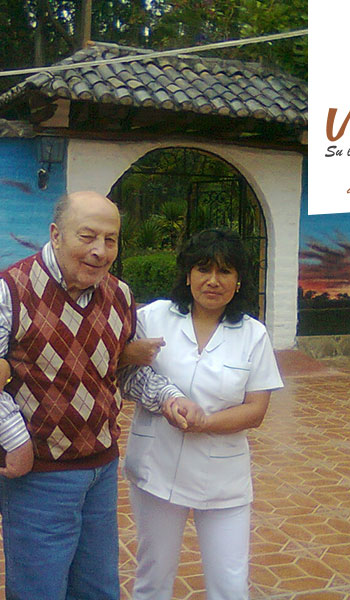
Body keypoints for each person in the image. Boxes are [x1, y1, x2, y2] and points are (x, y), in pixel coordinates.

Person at [0, 190, 177, 600]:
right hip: (39, 475)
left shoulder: (120, 294)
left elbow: (123, 371)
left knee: (98, 588)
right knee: (38, 589)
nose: (99, 251)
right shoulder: (12, 289)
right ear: (56, 234)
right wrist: (15, 440)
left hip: (101, 467)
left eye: (110, 240)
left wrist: (168, 398)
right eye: (87, 236)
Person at [121, 228, 284, 600]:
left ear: (239, 280)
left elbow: (256, 410)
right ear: (187, 274)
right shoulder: (153, 317)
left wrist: (205, 423)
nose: (213, 280)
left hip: (223, 478)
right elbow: (124, 373)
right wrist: (163, 396)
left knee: (230, 585)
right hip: (157, 470)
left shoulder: (253, 335)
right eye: (203, 269)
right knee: (153, 578)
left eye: (225, 271)